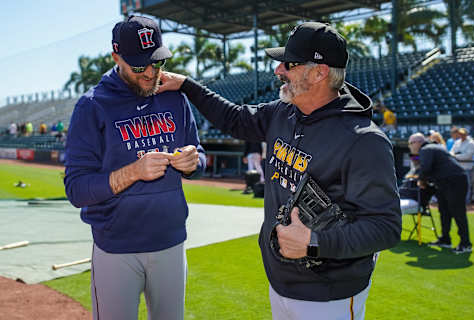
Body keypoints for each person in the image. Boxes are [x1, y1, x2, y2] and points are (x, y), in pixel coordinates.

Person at [158, 22, 401, 320]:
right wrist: (186, 84)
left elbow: (386, 228)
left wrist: (314, 243)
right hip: (280, 280)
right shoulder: (283, 112)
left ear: (319, 72)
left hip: (329, 295)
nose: (278, 70)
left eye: (289, 63)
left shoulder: (364, 141)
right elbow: (234, 118)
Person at [64, 15, 206, 320]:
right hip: (117, 248)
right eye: (139, 66)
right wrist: (133, 172)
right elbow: (76, 189)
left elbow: (200, 154)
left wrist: (194, 162)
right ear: (116, 57)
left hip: (171, 241)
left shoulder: (174, 97)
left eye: (156, 62)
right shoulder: (92, 106)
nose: (150, 73)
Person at [408, 133, 472, 254]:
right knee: (444, 211)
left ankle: (466, 243)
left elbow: (426, 168)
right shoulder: (432, 147)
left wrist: (421, 181)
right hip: (444, 182)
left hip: (454, 180)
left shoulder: (426, 149)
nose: (410, 146)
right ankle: (445, 239)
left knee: (458, 211)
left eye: (411, 143)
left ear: (418, 142)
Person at [450, 128, 474, 203]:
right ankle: (458, 200)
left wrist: (456, 156)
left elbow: (468, 155)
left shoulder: (471, 143)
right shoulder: (457, 142)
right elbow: (451, 151)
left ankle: (466, 200)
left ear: (466, 134)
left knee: (466, 185)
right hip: (457, 167)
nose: (461, 135)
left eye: (463, 134)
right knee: (457, 185)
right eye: (460, 134)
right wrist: (455, 155)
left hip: (466, 167)